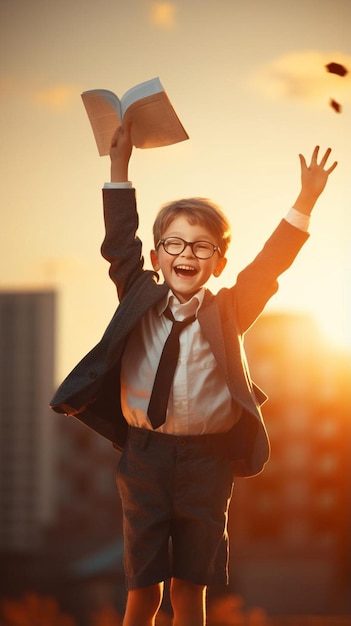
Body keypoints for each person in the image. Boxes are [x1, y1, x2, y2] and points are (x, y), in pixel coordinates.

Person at [50, 124, 337, 626]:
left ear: (219, 262)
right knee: (144, 591)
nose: (187, 255)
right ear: (158, 256)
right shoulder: (137, 299)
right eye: (175, 244)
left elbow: (268, 267)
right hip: (145, 458)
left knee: (190, 593)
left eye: (202, 247)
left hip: (207, 464)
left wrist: (304, 201)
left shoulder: (229, 313)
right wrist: (119, 169)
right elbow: (120, 242)